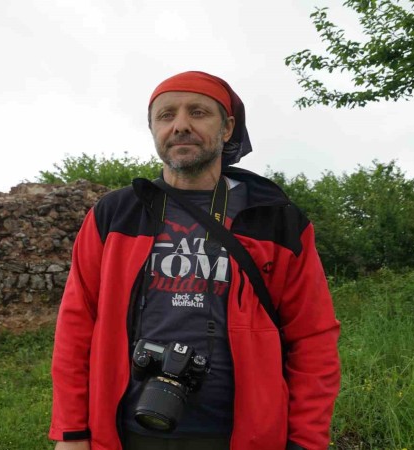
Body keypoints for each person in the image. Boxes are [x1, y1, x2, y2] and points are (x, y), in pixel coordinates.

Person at [49, 71, 340, 450]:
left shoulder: (274, 219)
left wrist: (306, 441)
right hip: (124, 431)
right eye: (166, 115)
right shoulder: (116, 213)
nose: (181, 125)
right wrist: (72, 432)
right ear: (153, 128)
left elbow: (312, 337)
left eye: (198, 112)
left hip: (243, 435)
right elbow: (76, 325)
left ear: (227, 128)